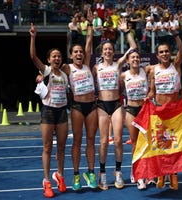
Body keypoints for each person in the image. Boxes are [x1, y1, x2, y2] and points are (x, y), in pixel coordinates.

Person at [92, 17, 137, 190]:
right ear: (102, 52)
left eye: (111, 49)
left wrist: (126, 32)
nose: (109, 51)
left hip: (117, 104)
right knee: (103, 142)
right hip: (102, 105)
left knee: (118, 140)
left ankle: (118, 172)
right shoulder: (96, 68)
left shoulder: (118, 64)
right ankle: (102, 173)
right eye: (106, 49)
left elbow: (133, 48)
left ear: (113, 51)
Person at [60, 8, 98, 191]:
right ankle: (76, 175)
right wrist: (40, 75)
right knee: (77, 141)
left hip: (91, 106)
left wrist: (90, 24)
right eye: (75, 52)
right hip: (76, 106)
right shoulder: (68, 68)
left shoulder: (87, 63)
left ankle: (90, 172)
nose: (79, 54)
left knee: (91, 140)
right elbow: (52, 67)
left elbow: (89, 42)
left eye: (81, 52)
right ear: (71, 54)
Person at [30, 23, 69, 198]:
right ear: (48, 60)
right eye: (54, 56)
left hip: (62, 113)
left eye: (59, 56)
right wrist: (33, 37)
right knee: (47, 147)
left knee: (61, 148)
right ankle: (46, 180)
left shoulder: (65, 74)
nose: (57, 59)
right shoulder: (45, 72)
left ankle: (59, 176)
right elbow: (32, 56)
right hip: (48, 112)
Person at [147, 26, 182, 190]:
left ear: (170, 53)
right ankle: (162, 174)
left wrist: (175, 35)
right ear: (157, 55)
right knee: (161, 144)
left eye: (166, 51)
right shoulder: (153, 70)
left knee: (174, 145)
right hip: (159, 111)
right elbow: (152, 90)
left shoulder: (175, 65)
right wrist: (149, 95)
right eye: (161, 52)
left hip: (174, 111)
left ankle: (174, 175)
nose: (164, 54)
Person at [120, 48, 151, 190]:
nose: (135, 59)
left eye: (137, 57)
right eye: (132, 57)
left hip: (144, 110)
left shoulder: (146, 70)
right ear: (128, 61)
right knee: (135, 143)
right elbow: (118, 92)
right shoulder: (123, 75)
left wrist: (150, 94)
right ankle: (137, 173)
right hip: (131, 110)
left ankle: (148, 171)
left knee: (147, 142)